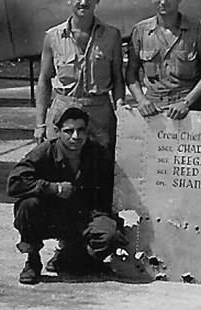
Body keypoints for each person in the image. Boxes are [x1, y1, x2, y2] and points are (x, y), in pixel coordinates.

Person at [7, 106, 121, 285]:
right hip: (51, 215)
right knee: (28, 205)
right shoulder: (45, 151)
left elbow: (108, 193)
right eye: (69, 131)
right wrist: (53, 188)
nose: (76, 136)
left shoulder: (98, 153)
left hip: (84, 215)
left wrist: (107, 221)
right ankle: (32, 261)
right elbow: (15, 183)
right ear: (58, 131)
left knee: (110, 235)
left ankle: (69, 256)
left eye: (81, 130)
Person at [34, 0, 125, 152]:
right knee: (61, 164)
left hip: (99, 115)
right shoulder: (53, 37)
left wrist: (121, 113)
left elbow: (117, 78)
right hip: (63, 113)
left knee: (100, 164)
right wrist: (40, 124)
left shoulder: (112, 36)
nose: (83, 2)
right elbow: (44, 80)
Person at [126, 0, 201, 119]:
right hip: (153, 110)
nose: (163, 1)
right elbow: (131, 73)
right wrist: (141, 100)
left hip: (189, 110)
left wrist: (186, 102)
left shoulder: (199, 30)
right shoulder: (140, 31)